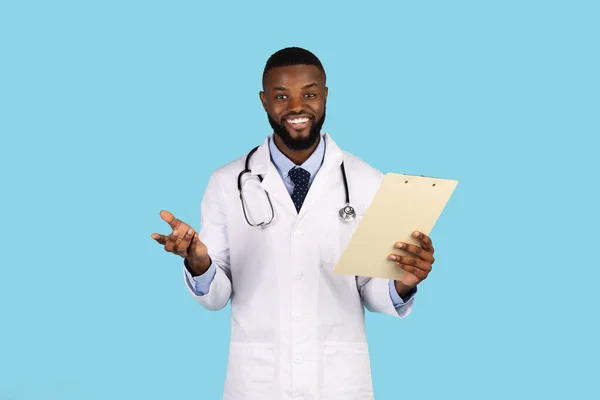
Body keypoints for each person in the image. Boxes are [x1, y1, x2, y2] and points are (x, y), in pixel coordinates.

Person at [151, 47, 436, 400]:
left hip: (338, 382)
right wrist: (197, 261)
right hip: (257, 382)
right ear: (264, 101)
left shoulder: (368, 181)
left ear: (326, 96)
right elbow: (216, 297)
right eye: (281, 96)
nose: (297, 107)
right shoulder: (226, 182)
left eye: (310, 94)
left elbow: (371, 291)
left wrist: (405, 281)